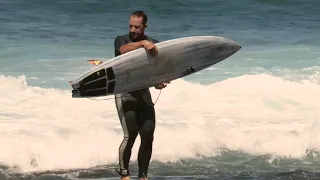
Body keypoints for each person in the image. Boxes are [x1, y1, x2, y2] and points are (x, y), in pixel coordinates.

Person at [113, 11, 168, 180]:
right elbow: (123, 51)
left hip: (144, 93)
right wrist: (143, 43)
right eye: (130, 26)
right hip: (125, 93)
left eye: (137, 27)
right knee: (131, 134)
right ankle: (124, 173)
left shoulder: (154, 44)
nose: (133, 29)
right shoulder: (121, 40)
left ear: (145, 26)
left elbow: (158, 69)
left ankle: (143, 176)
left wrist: (159, 81)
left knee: (148, 134)